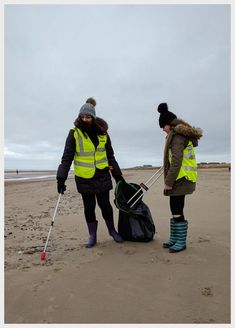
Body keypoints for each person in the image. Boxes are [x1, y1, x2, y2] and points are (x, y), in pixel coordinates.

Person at [57, 97, 124, 248]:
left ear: (93, 117)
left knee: (105, 205)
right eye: (82, 116)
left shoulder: (103, 134)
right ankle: (92, 235)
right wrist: (61, 178)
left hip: (102, 175)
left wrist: (118, 175)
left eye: (88, 117)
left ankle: (112, 231)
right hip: (83, 177)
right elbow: (66, 157)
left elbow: (110, 156)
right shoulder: (74, 133)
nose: (85, 119)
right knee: (89, 207)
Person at [157, 103, 203, 253]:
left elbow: (176, 161)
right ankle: (175, 238)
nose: (163, 131)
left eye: (163, 127)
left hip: (181, 178)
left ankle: (180, 241)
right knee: (175, 207)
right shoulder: (178, 135)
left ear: (168, 125)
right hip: (181, 177)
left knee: (176, 208)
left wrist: (168, 182)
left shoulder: (177, 137)